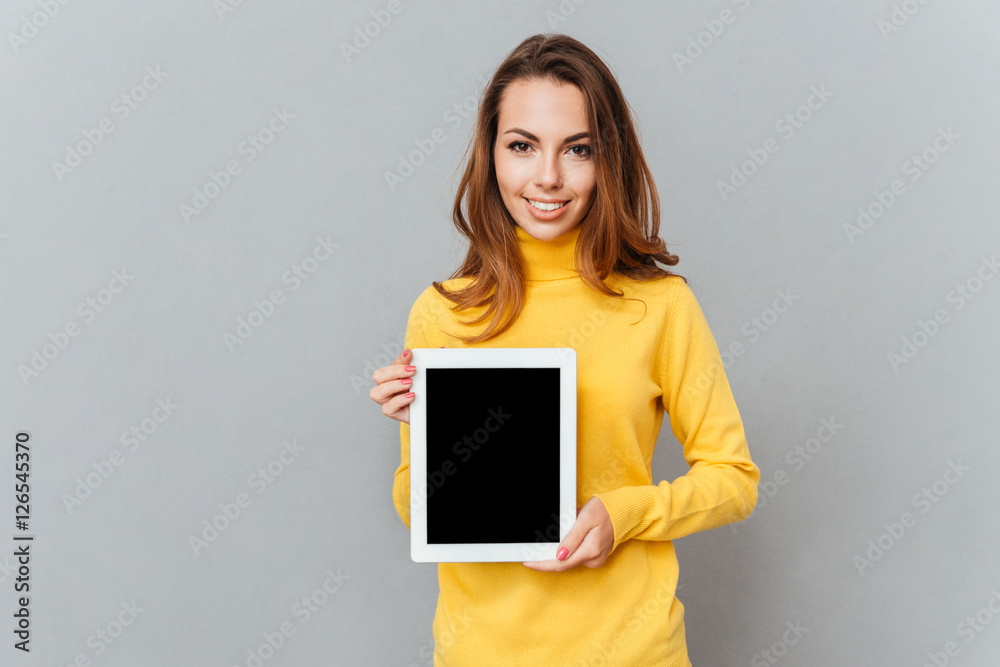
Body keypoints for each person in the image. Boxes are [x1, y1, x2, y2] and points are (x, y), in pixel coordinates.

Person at [369, 32, 759, 665]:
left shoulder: (659, 307)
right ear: (491, 153)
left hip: (634, 652)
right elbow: (418, 513)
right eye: (522, 146)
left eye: (577, 149)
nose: (547, 176)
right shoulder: (443, 312)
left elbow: (734, 480)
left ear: (609, 161)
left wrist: (625, 512)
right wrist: (438, 431)